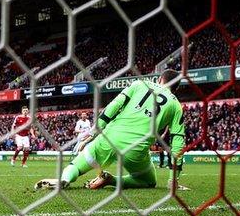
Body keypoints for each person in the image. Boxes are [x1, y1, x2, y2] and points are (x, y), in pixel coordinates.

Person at [35, 69, 189, 190]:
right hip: (135, 148)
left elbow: (113, 106)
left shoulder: (139, 84)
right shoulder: (175, 106)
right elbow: (178, 142)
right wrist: (173, 179)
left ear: (160, 79)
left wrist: (93, 133)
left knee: (76, 165)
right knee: (148, 181)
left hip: (110, 138)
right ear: (175, 88)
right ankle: (112, 179)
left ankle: (65, 179)